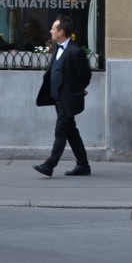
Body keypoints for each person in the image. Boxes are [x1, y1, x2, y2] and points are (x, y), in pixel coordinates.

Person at [33, 14, 92, 177]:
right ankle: (83, 165)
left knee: (61, 132)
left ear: (62, 32)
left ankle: (49, 165)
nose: (51, 30)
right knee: (71, 132)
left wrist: (78, 91)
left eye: (53, 28)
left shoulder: (75, 51)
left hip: (68, 100)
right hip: (58, 99)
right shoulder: (58, 48)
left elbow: (85, 75)